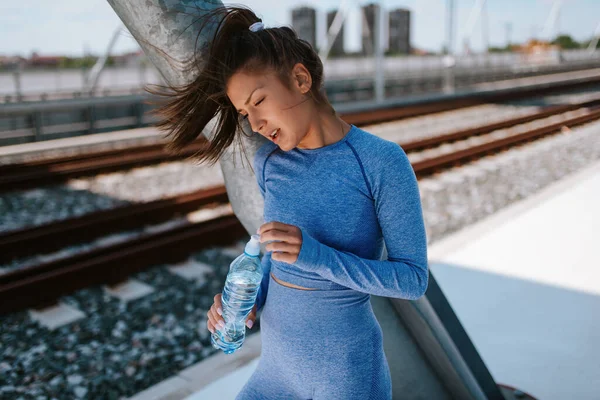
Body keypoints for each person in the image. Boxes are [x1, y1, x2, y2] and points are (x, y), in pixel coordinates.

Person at [147, 5, 429, 399]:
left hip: (346, 376)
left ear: (300, 79)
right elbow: (275, 257)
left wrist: (316, 255)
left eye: (258, 101)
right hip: (277, 371)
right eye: (244, 113)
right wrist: (248, 301)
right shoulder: (269, 161)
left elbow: (413, 280)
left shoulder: (381, 162)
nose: (255, 124)